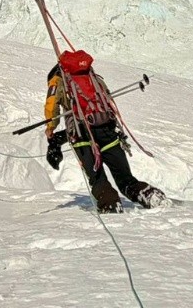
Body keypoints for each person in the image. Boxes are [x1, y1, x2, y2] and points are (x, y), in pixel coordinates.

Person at [44, 50, 164, 213]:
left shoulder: (58, 80)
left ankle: (110, 205)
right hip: (107, 129)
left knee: (98, 179)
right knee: (125, 178)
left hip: (82, 136)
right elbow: (107, 99)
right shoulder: (92, 76)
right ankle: (150, 195)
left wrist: (50, 128)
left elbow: (51, 106)